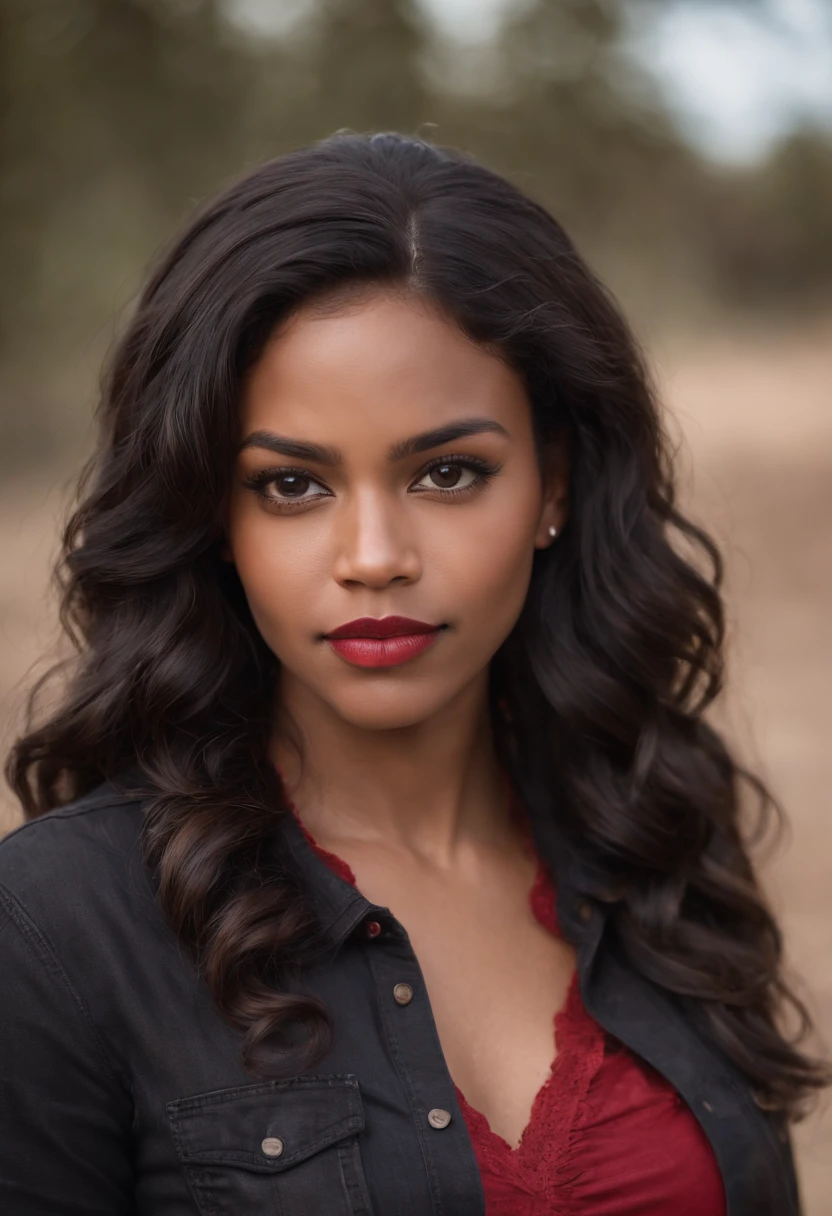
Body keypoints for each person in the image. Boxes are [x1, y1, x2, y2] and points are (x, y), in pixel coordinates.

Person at [0, 131, 826, 1216]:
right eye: (293, 484)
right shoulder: (58, 926)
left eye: (447, 472)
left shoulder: (654, 826)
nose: (374, 555)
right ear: (211, 511)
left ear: (554, 485)